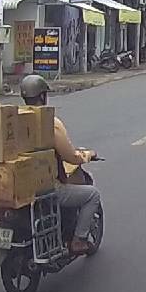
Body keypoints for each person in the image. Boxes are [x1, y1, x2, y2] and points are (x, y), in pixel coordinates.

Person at [19, 74, 102, 255]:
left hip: (20, 187)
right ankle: (78, 240)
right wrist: (88, 155)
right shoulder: (49, 123)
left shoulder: (15, 120)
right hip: (46, 188)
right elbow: (71, 156)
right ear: (43, 96)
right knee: (93, 194)